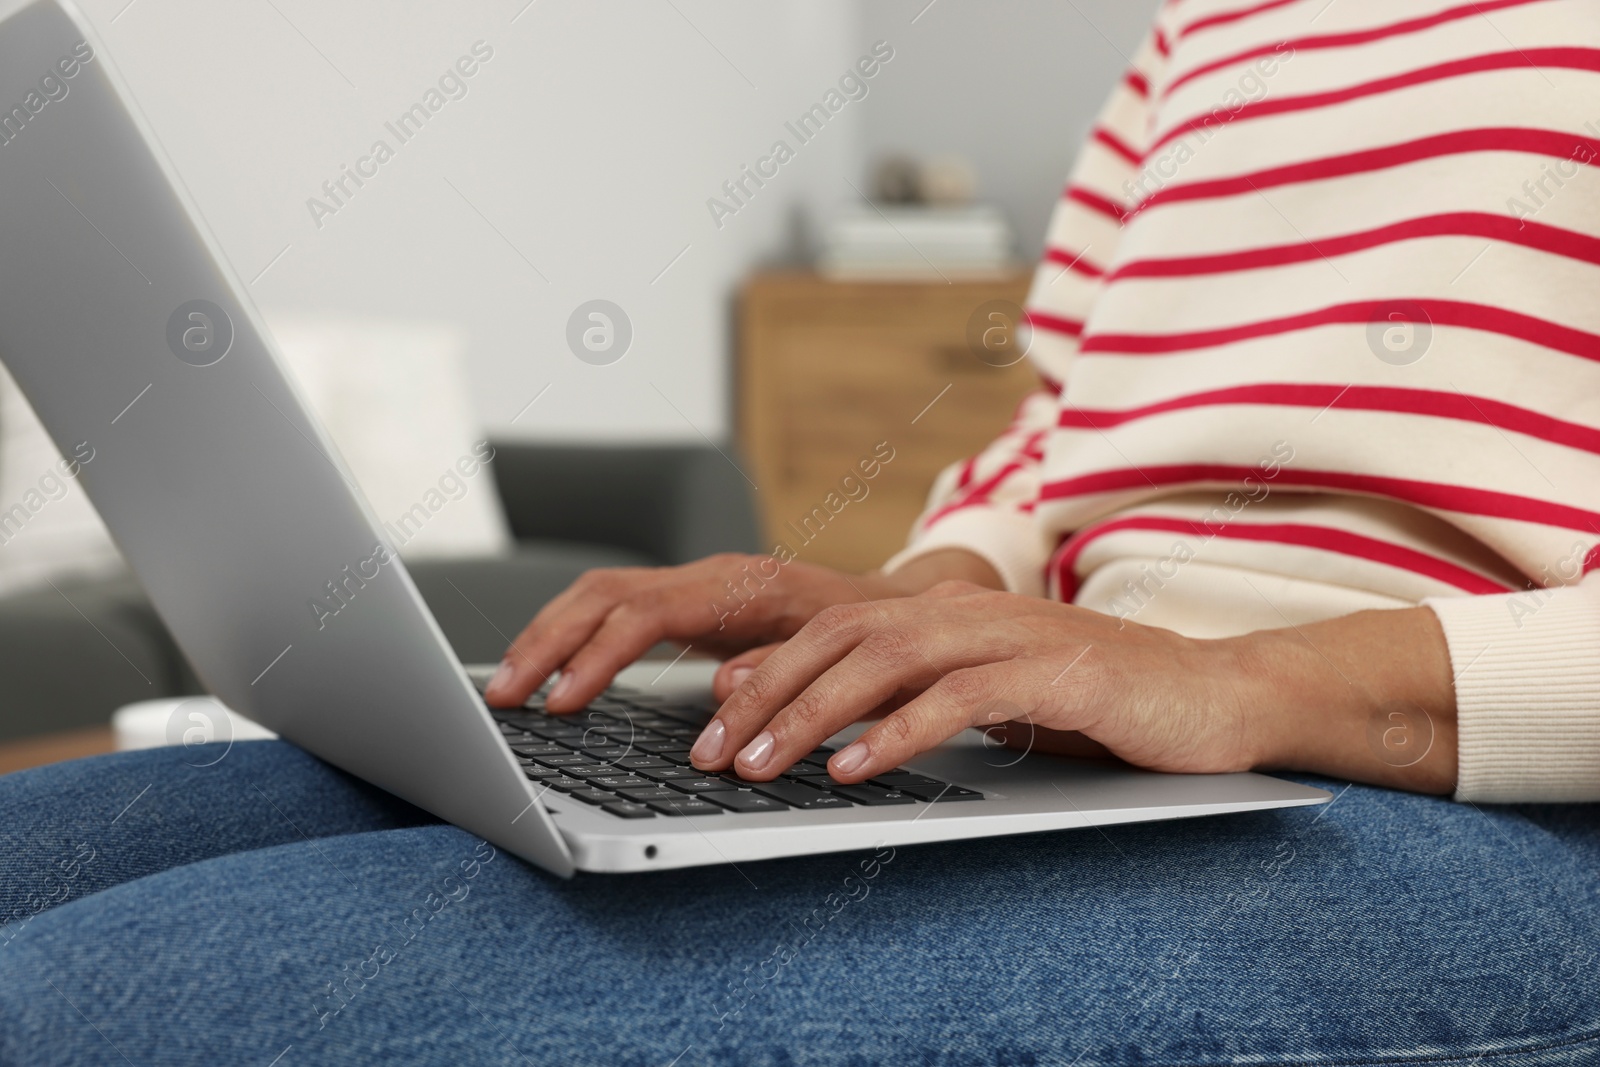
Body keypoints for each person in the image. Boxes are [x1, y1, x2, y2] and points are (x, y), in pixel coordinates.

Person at [3, 2, 1598, 1063]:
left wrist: (1252, 684)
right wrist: (918, 606)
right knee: (44, 859)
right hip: (1092, 747)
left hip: (1473, 791)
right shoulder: (1214, 22)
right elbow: (1066, 426)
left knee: (128, 1005)